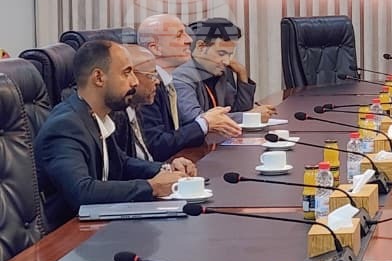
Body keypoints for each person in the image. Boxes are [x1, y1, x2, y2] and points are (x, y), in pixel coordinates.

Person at [34, 40, 197, 228]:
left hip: (100, 224)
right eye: (126, 73)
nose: (135, 81)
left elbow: (122, 163)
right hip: (70, 236)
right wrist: (152, 187)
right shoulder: (65, 126)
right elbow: (82, 191)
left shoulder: (96, 115)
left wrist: (166, 169)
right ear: (99, 78)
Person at [137, 14, 241, 159]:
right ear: (156, 48)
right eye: (179, 35)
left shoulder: (166, 83)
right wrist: (205, 123)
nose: (189, 40)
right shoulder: (145, 87)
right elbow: (156, 145)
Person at [173, 17, 276, 126]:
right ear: (201, 46)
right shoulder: (182, 76)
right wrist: (250, 116)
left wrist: (242, 74)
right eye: (221, 54)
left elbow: (239, 110)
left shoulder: (218, 72)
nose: (227, 62)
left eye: (230, 55)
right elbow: (196, 119)